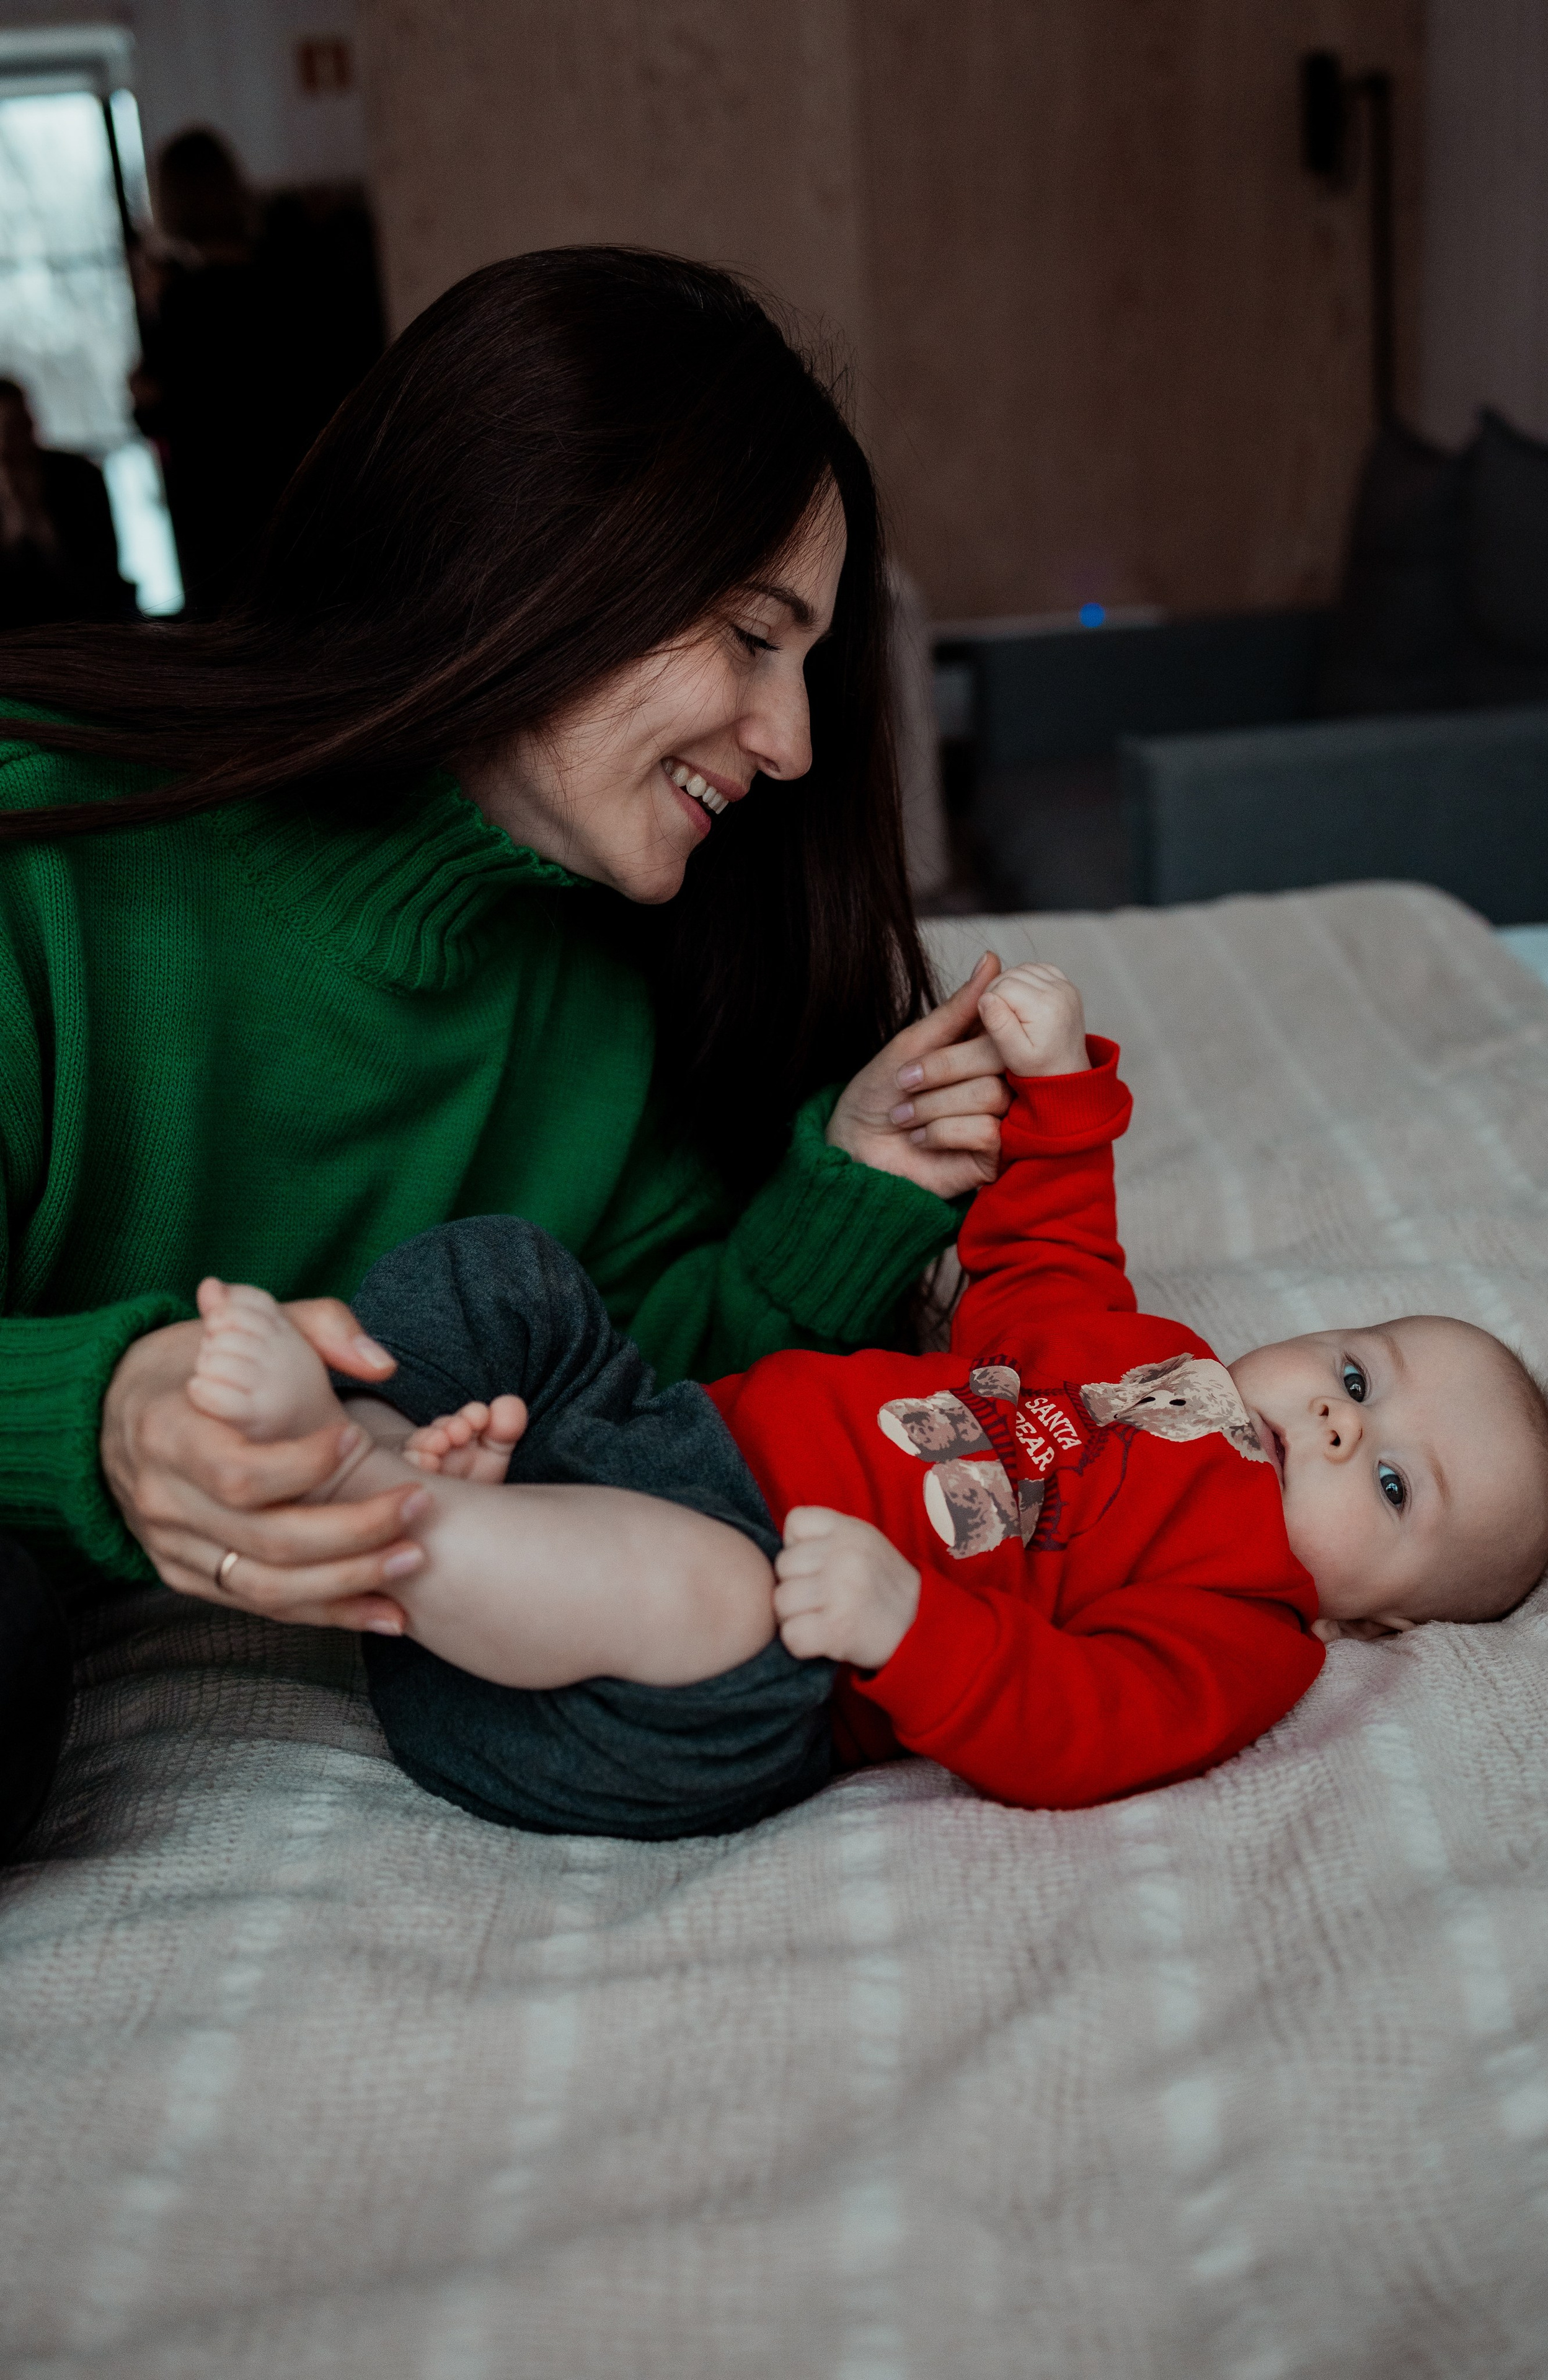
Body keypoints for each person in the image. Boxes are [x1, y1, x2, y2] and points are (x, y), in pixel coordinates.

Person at [0, 248, 1011, 1858]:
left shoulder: (603, 1003)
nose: (796, 741)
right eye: (755, 635)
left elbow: (658, 1387)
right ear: (538, 549)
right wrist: (96, 1413)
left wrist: (862, 1183)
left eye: (808, 664)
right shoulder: (47, 843)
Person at [179, 961, 1548, 1838]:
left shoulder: (1253, 1626)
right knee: (505, 1278)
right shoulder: (1160, 1363)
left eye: (1389, 1483)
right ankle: (371, 1431)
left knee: (712, 1595)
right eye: (1352, 1374)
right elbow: (1052, 1250)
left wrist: (908, 1627)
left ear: (1372, 1615)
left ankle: (391, 1512)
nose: (1337, 1425)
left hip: (694, 1677)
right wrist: (1054, 1088)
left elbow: (1085, 1720)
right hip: (645, 1436)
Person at [131, 128, 383, 614]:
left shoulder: (184, 306)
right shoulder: (294, 277)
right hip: (309, 496)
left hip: (226, 519)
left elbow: (174, 417)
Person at [0, 380, 137, 631]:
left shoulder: (80, 477)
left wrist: (35, 519)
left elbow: (102, 573)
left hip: (87, 624)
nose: (8, 444)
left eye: (13, 428)